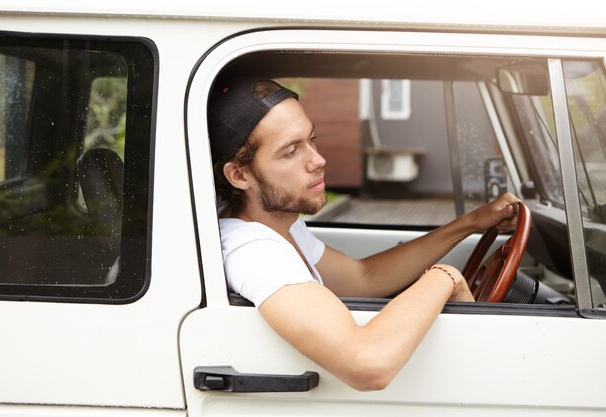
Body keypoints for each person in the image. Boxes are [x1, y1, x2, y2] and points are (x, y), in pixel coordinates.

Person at [208, 76, 520, 391]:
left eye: (311, 140)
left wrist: (471, 222)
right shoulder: (254, 252)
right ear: (239, 174)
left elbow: (363, 278)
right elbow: (367, 364)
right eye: (291, 152)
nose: (318, 160)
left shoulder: (279, 223)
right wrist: (445, 276)